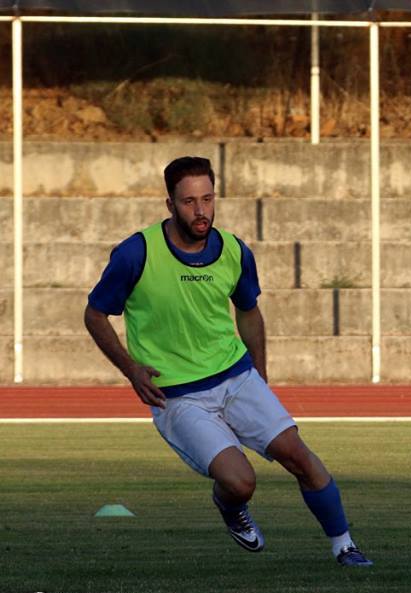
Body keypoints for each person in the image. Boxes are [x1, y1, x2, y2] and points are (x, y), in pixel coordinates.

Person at [84, 156, 372, 567]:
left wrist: (260, 373)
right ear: (170, 205)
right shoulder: (135, 253)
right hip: (179, 397)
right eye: (188, 202)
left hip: (236, 377)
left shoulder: (235, 250)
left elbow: (249, 311)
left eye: (207, 199)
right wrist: (130, 369)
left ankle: (344, 545)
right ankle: (230, 507)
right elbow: (94, 314)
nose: (200, 211)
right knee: (241, 482)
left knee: (300, 456)